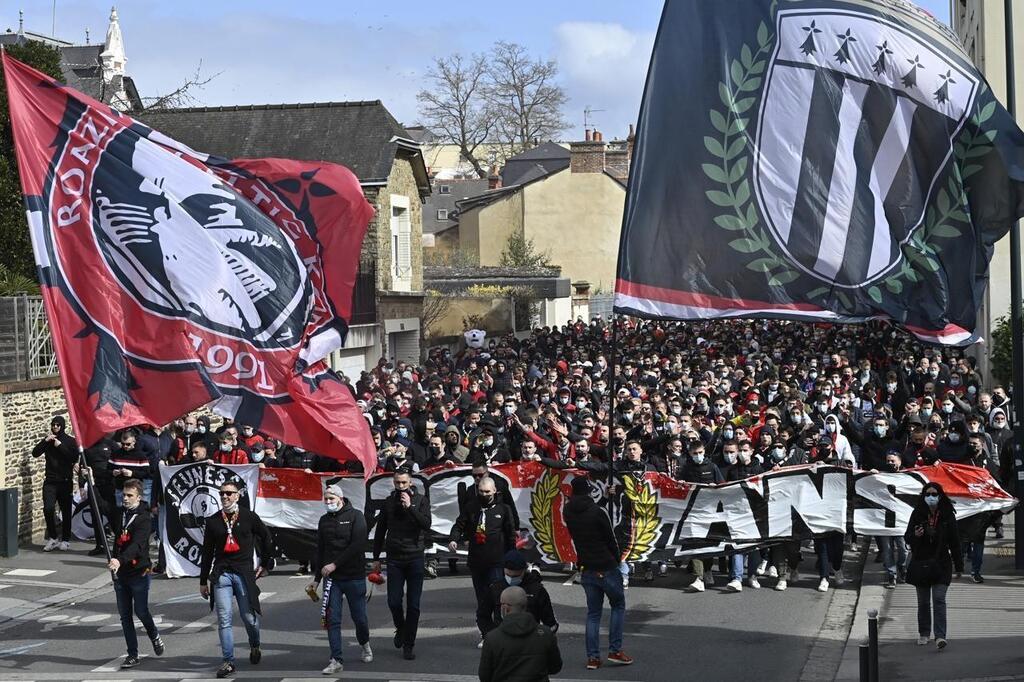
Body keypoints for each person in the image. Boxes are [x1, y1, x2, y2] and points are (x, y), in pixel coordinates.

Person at [199, 480, 274, 678]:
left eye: (229, 493)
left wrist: (265, 564)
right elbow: (207, 552)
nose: (225, 497)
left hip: (243, 573)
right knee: (224, 619)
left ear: (237, 496)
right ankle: (228, 661)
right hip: (222, 574)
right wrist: (202, 580)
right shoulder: (213, 520)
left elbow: (266, 538)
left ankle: (255, 644)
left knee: (249, 618)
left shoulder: (249, 517)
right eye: (222, 493)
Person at [562, 475, 633, 670]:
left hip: (586, 566)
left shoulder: (568, 511)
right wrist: (617, 560)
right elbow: (610, 538)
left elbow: (588, 510)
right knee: (618, 605)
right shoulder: (597, 513)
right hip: (606, 564)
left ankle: (593, 657)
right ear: (588, 491)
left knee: (593, 613)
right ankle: (615, 650)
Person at [311, 480, 371, 675]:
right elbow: (320, 551)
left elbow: (357, 545)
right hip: (333, 580)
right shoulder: (323, 520)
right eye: (325, 498)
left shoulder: (356, 516)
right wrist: (316, 579)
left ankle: (365, 643)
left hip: (354, 576)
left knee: (359, 618)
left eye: (331, 498)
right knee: (332, 619)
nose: (328, 501)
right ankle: (336, 658)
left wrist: (335, 564)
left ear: (341, 498)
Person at [449, 476, 516, 648]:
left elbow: (510, 535)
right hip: (477, 561)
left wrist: (511, 558)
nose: (484, 494)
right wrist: (454, 539)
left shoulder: (504, 509)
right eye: (481, 491)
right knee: (482, 599)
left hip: (497, 561)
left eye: (487, 492)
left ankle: (500, 633)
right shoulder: (471, 507)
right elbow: (459, 525)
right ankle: (486, 633)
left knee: (497, 598)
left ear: (494, 491)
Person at [373, 469, 432, 660]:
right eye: (397, 483)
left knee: (413, 605)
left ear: (410, 482)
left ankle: (409, 643)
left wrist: (410, 508)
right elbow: (380, 530)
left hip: (415, 556)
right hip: (395, 558)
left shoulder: (421, 500)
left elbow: (426, 524)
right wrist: (376, 558)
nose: (400, 487)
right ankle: (401, 628)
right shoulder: (389, 502)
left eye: (404, 483)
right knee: (393, 601)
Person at [108, 478, 164, 668]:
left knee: (140, 611)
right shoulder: (120, 513)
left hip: (139, 571)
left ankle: (154, 634)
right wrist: (88, 480)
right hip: (120, 573)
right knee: (125, 616)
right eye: (123, 495)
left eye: (129, 495)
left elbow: (138, 546)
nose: (125, 498)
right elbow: (101, 506)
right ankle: (133, 654)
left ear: (138, 497)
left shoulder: (144, 519)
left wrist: (119, 559)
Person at [905, 482, 963, 650]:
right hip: (921, 562)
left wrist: (959, 566)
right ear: (923, 496)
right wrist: (915, 535)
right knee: (923, 602)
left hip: (941, 563)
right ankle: (924, 633)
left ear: (940, 495)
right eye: (928, 494)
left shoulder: (947, 515)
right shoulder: (917, 514)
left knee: (938, 599)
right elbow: (907, 537)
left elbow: (955, 541)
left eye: (934, 494)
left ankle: (940, 636)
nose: (931, 497)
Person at [478, 586, 562, 682]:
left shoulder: (492, 638)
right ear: (525, 605)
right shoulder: (546, 634)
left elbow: (484, 676)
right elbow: (555, 667)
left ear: (505, 608)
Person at [31, 416, 78, 551]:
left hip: (64, 481)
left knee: (66, 510)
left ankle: (65, 539)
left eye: (58, 425)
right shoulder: (48, 441)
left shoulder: (69, 441)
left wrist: (60, 446)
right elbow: (35, 453)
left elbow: (73, 457)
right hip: (50, 481)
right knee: (48, 508)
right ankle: (53, 537)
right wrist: (45, 441)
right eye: (53, 425)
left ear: (62, 426)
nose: (55, 427)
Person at [489, 550, 558, 631]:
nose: (511, 579)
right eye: (508, 575)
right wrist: (488, 634)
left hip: (530, 638)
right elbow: (482, 615)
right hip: (501, 638)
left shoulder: (537, 590)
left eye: (516, 576)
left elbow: (550, 622)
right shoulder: (495, 588)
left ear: (524, 571)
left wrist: (541, 638)